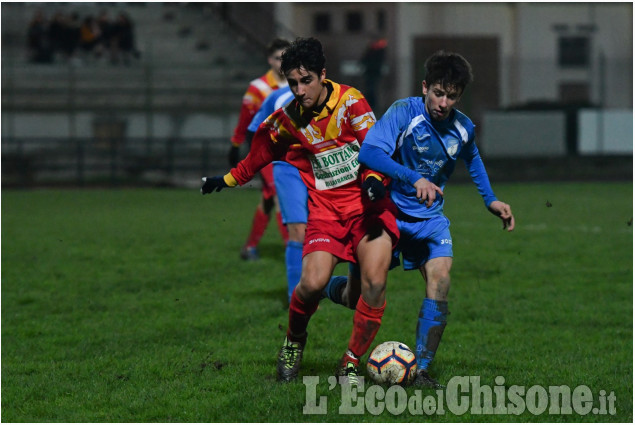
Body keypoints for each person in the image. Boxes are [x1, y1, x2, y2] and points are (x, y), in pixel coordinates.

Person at [201, 37, 399, 383]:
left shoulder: (350, 103)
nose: (299, 89)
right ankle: (294, 341)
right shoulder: (289, 119)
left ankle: (350, 362)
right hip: (326, 214)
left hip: (369, 210)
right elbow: (258, 155)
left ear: (323, 75)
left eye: (306, 80)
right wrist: (227, 179)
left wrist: (373, 179)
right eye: (292, 82)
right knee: (309, 284)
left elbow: (376, 147)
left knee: (373, 284)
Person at [335, 50, 515, 388]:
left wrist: (490, 200)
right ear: (424, 87)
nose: (443, 102)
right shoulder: (404, 112)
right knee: (361, 291)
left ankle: (421, 369)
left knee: (441, 279)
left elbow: (472, 157)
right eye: (438, 92)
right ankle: (342, 337)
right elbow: (370, 152)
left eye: (452, 95)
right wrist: (413, 178)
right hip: (388, 211)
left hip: (429, 220)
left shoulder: (463, 127)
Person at [228, 38, 291, 261]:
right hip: (265, 150)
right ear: (269, 60)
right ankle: (292, 248)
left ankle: (250, 247)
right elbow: (246, 119)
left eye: (285, 57)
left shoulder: (298, 83)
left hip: (291, 151)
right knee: (279, 195)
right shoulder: (259, 88)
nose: (281, 63)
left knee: (268, 198)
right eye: (277, 58)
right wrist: (236, 144)